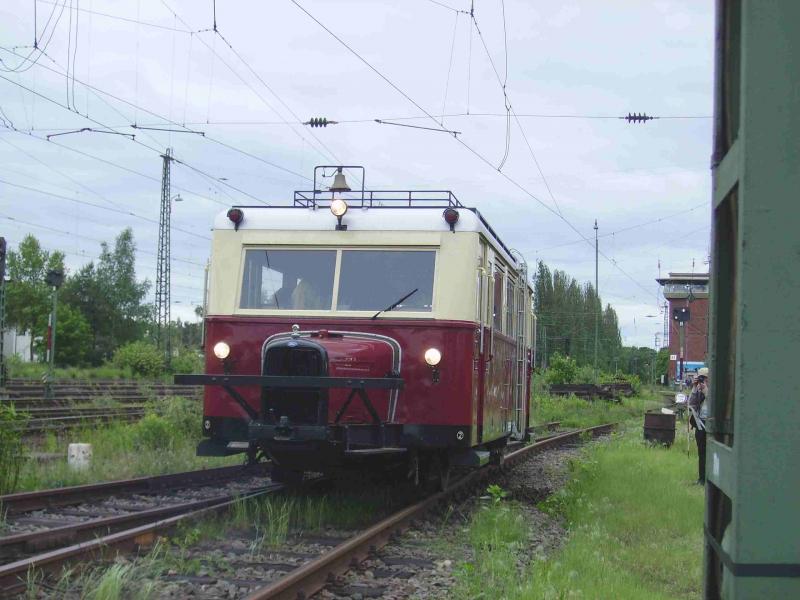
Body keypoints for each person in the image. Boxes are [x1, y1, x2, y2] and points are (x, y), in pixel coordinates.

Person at [689, 367, 709, 484]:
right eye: (701, 378)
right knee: (701, 453)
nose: (703, 381)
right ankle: (702, 479)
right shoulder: (699, 390)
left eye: (705, 378)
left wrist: (706, 390)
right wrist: (694, 388)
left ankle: (710, 479)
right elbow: (691, 404)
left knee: (709, 453)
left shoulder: (713, 390)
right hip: (700, 423)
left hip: (710, 423)